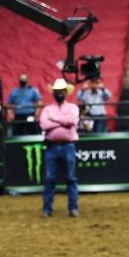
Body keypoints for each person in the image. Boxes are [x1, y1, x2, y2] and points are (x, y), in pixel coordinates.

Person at [39, 78, 80, 218]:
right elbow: (43, 125)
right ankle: (47, 209)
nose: (59, 93)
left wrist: (54, 119)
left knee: (70, 178)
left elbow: (72, 121)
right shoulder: (47, 109)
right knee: (50, 179)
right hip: (53, 146)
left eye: (61, 91)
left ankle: (73, 208)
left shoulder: (72, 108)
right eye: (57, 91)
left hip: (67, 146)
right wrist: (62, 121)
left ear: (65, 92)